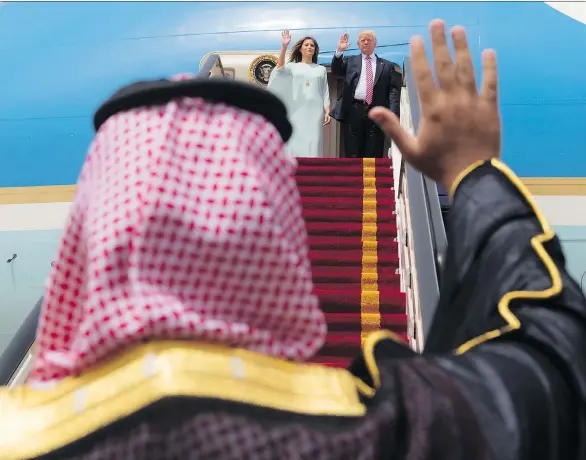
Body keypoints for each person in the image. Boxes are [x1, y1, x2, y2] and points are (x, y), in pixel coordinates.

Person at [4, 19, 586, 460]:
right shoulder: (398, 426)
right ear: (278, 231)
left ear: (86, 237)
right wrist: (472, 173)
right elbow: (557, 365)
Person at [331, 30, 402, 159]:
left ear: (375, 43)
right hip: (353, 110)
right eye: (362, 40)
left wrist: (393, 114)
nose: (365, 42)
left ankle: (370, 179)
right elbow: (336, 70)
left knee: (373, 149)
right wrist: (339, 51)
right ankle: (353, 178)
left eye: (369, 40)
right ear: (358, 44)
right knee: (352, 149)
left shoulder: (387, 66)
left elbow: (393, 93)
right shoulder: (350, 61)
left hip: (377, 111)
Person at [267, 30, 330, 158]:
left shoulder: (321, 69)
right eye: (306, 45)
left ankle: (313, 173)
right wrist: (284, 46)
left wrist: (327, 110)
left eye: (312, 45)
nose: (309, 47)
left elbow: (325, 91)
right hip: (296, 109)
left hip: (315, 111)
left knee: (314, 140)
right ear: (300, 49)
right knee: (295, 140)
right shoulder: (291, 67)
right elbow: (279, 70)